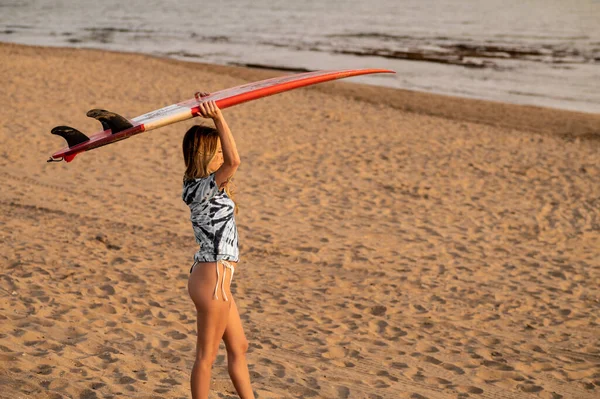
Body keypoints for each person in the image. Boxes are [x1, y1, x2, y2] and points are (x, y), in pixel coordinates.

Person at [182, 96, 254, 399]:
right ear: (206, 153)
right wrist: (218, 118)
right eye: (218, 150)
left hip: (218, 277)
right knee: (206, 357)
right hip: (213, 278)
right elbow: (235, 161)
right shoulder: (199, 187)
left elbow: (231, 161)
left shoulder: (205, 185)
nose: (224, 154)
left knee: (239, 346)